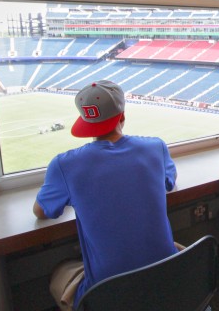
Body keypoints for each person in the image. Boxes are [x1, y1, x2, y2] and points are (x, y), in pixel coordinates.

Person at [34, 80, 179, 311]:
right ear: (122, 116)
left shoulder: (64, 164)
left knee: (60, 271)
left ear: (85, 121)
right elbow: (168, 182)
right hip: (168, 282)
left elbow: (42, 211)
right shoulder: (156, 147)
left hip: (108, 295)